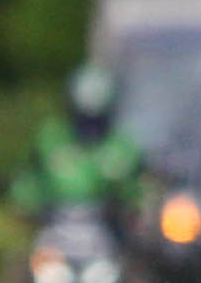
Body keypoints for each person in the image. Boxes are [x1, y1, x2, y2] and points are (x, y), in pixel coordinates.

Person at [12, 63, 143, 217]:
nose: (89, 129)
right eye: (83, 120)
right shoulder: (52, 138)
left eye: (95, 122)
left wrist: (132, 206)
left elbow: (135, 191)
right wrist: (26, 203)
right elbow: (30, 179)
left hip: (106, 229)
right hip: (56, 225)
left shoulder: (121, 147)